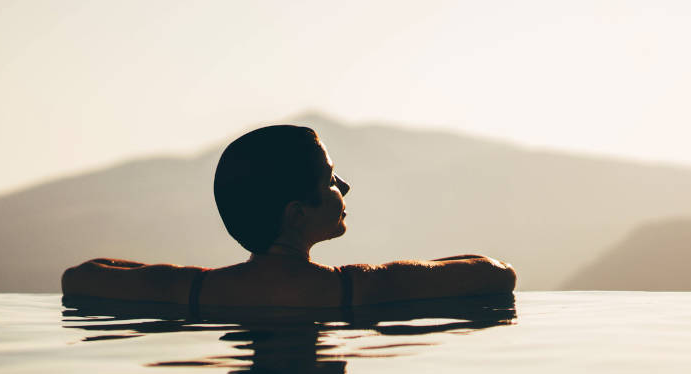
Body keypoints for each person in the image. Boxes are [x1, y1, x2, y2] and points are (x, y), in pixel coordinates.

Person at [61, 124, 516, 308]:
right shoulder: (362, 286)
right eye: (332, 181)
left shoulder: (196, 289)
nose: (344, 189)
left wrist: (182, 279)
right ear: (297, 214)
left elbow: (79, 277)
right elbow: (496, 275)